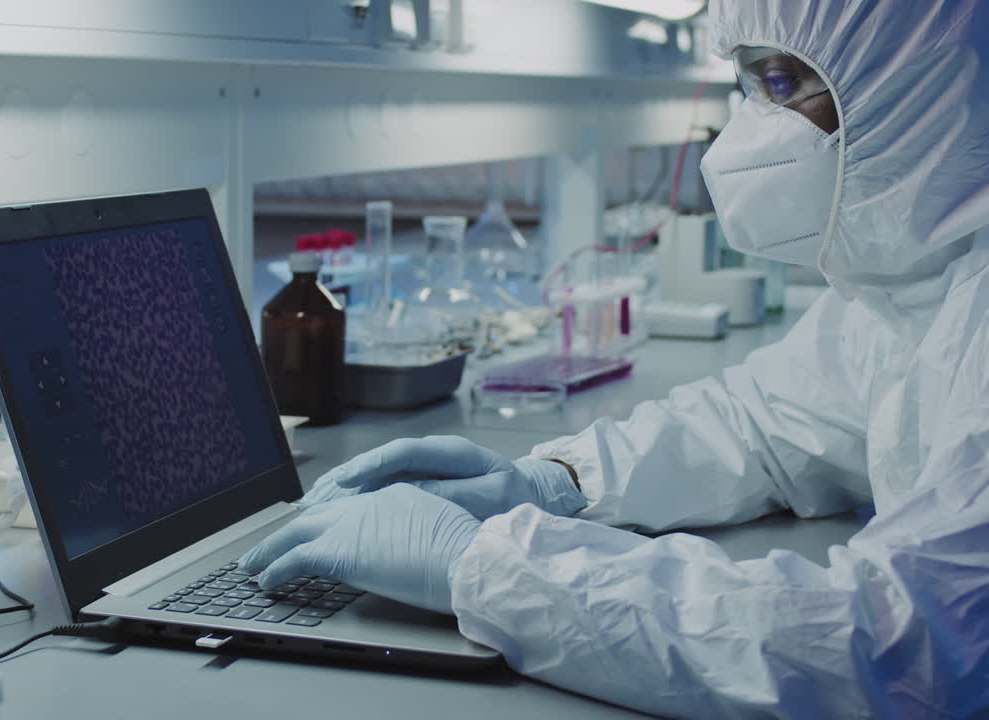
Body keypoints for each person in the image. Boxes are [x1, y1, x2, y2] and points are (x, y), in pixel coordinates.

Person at [239, 0, 989, 717]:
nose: (742, 138)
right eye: (750, 82)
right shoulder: (921, 278)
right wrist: (556, 483)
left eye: (784, 83)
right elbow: (766, 422)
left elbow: (905, 651)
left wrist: (486, 564)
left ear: (928, 82)